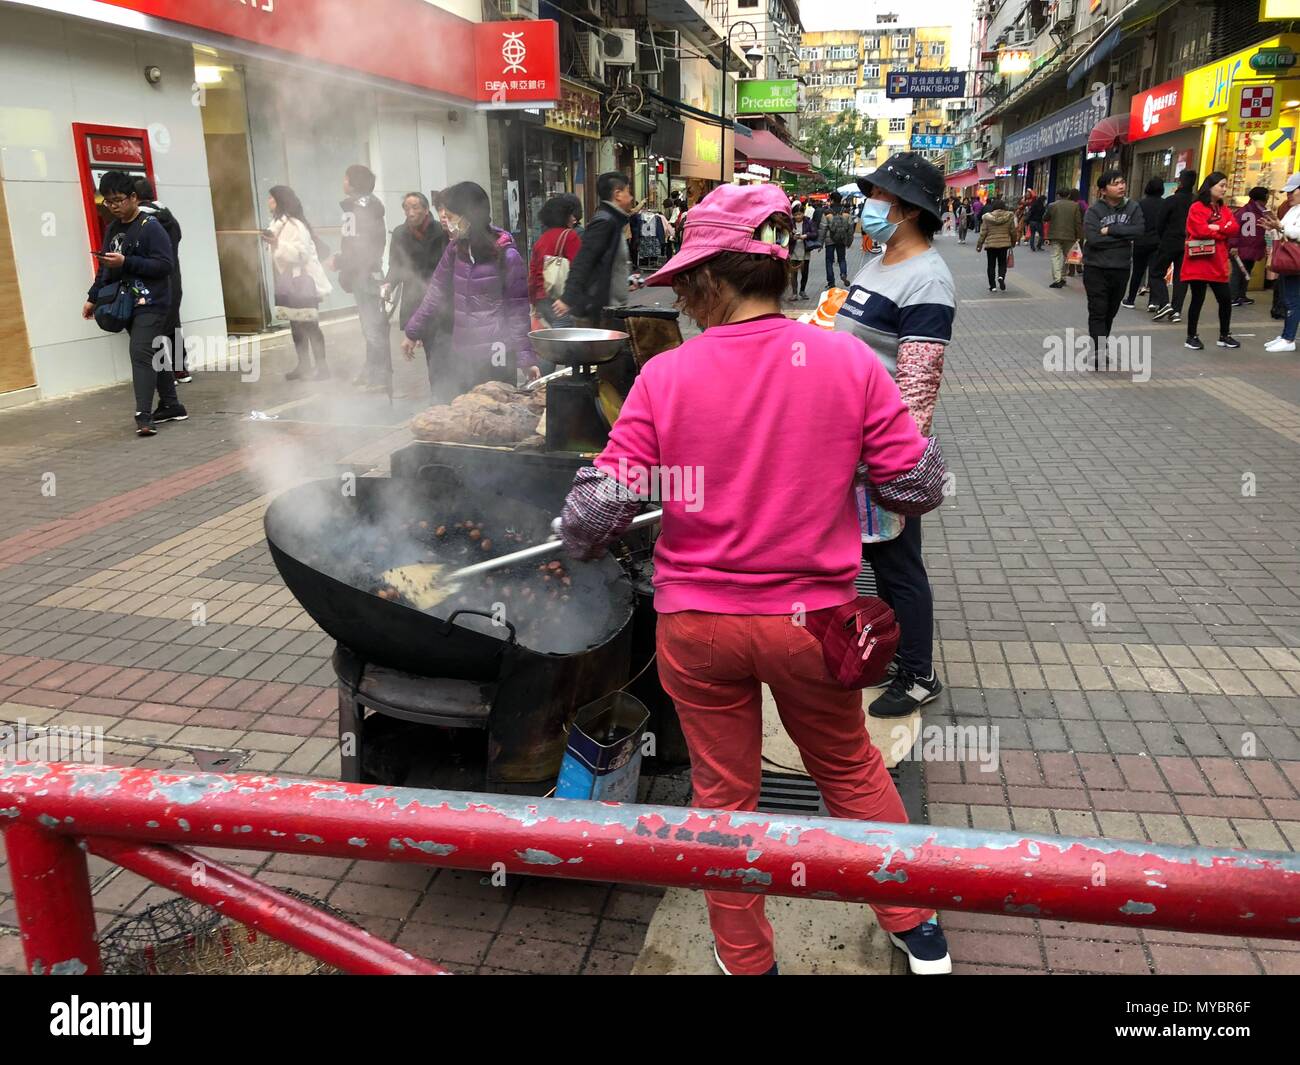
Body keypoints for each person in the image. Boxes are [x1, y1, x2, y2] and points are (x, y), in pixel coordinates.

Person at [556, 181, 952, 978]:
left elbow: (598, 515)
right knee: (848, 769)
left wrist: (578, 528)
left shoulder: (666, 376)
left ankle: (746, 959)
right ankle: (918, 931)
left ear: (709, 282)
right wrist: (844, 466)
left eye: (685, 284)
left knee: (724, 797)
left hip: (698, 628)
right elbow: (920, 486)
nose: (683, 299)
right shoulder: (844, 359)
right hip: (815, 623)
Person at [835, 153, 955, 718]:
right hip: (846, 443)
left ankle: (918, 673)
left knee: (898, 564)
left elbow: (917, 383)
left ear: (907, 209)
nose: (869, 205)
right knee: (869, 560)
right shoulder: (880, 261)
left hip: (882, 451)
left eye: (879, 195)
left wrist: (890, 462)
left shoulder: (927, 278)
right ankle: (882, 653)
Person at [402, 181, 536, 397]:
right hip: (464, 351)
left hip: (497, 351)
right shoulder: (456, 250)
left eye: (452, 216)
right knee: (468, 412)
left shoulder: (506, 255)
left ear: (469, 216)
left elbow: (517, 311)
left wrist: (526, 359)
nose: (447, 221)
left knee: (495, 411)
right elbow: (435, 292)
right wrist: (412, 331)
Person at [82, 171, 184, 437]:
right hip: (126, 302)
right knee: (151, 351)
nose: (114, 206)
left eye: (118, 200)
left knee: (140, 354)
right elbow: (104, 267)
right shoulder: (113, 228)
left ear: (133, 197)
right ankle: (172, 405)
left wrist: (126, 263)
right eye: (108, 201)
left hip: (153, 301)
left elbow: (165, 265)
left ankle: (144, 416)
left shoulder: (151, 226)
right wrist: (93, 297)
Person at [328, 164, 390, 391]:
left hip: (363, 274)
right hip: (370, 271)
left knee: (371, 327)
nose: (343, 182)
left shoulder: (353, 210)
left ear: (353, 183)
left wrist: (340, 261)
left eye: (345, 178)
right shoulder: (371, 206)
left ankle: (380, 376)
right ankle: (371, 370)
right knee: (371, 325)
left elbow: (355, 245)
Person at [264, 185, 332, 380]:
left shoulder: (294, 225)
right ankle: (304, 365)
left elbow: (301, 254)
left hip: (302, 282)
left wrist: (276, 243)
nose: (268, 201)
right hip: (290, 282)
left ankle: (322, 367)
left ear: (279, 201)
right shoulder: (278, 223)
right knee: (296, 325)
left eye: (271, 198)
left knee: (310, 324)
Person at [553, 172, 636, 325]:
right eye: (628, 192)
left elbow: (607, 265)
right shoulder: (605, 222)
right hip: (599, 312)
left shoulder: (614, 221)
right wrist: (567, 298)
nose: (631, 198)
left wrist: (627, 280)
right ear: (617, 194)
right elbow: (584, 260)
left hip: (611, 310)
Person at [1081, 170, 1144, 369]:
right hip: (1096, 268)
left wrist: (1111, 230)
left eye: (1122, 182)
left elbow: (1139, 231)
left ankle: (1102, 343)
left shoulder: (1133, 207)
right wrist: (1122, 239)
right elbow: (1094, 239)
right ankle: (1100, 350)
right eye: (1115, 183)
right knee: (1098, 310)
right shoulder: (1094, 211)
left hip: (1121, 268)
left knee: (1111, 310)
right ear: (1103, 190)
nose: (1121, 186)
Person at [133, 178, 189, 383]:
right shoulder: (168, 216)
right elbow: (179, 237)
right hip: (174, 278)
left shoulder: (143, 221)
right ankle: (181, 370)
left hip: (154, 280)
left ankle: (165, 376)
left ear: (134, 197)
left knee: (153, 327)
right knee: (173, 323)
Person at [1181, 171, 1240, 351]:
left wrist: (1216, 227)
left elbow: (1235, 227)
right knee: (1197, 299)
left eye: (1225, 185)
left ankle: (1224, 334)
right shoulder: (1197, 207)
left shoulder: (1224, 209)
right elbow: (1199, 230)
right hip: (1199, 260)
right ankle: (1191, 336)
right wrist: (1221, 230)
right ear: (1210, 186)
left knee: (1224, 298)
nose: (1224, 189)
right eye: (1221, 185)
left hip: (1218, 261)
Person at [383, 191, 449, 346]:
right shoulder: (400, 233)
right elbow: (396, 266)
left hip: (438, 297)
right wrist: (388, 285)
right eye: (406, 208)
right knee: (429, 350)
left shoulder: (441, 231)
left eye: (415, 207)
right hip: (413, 296)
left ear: (426, 210)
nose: (410, 212)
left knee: (440, 346)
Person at [529, 193, 583, 327]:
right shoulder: (570, 236)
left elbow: (533, 274)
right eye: (570, 214)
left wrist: (533, 302)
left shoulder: (541, 240)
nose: (573, 218)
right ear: (564, 216)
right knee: (565, 342)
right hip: (561, 300)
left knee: (551, 339)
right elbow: (578, 269)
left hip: (542, 300)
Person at [1149, 169, 1197, 322]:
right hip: (1188, 243)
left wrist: (1163, 236)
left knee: (1156, 272)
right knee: (1181, 277)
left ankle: (1164, 303)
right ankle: (1176, 310)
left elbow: (1160, 223)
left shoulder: (1171, 200)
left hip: (1169, 241)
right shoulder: (1196, 201)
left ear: (1180, 181)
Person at [1265, 172, 1300, 351]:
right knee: (1288, 298)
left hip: (1296, 259)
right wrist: (1274, 227)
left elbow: (1295, 233)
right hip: (1289, 259)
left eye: (1292, 192)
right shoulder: (1293, 209)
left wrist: (1281, 227)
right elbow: (1284, 230)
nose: (1288, 196)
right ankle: (1286, 335)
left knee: (1293, 299)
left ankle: (1288, 339)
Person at [1122, 177, 1165, 309]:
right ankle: (1153, 301)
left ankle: (1130, 299)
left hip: (1141, 241)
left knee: (1137, 272)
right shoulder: (1165, 204)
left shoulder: (1140, 204)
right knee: (1154, 272)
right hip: (1158, 242)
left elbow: (1133, 222)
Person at [1230, 186, 1273, 307]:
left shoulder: (1250, 211)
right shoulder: (1254, 212)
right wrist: (1233, 245)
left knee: (1246, 272)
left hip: (1250, 248)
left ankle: (1241, 296)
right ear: (1262, 198)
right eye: (1267, 196)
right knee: (1238, 273)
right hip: (1242, 248)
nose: (1268, 198)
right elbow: (1234, 229)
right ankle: (1233, 296)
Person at [975, 197, 1017, 291]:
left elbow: (983, 232)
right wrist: (1013, 242)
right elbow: (1013, 231)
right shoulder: (1009, 216)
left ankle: (993, 286)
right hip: (1004, 244)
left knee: (991, 265)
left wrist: (979, 245)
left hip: (991, 245)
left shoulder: (987, 218)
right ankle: (1001, 277)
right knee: (1002, 263)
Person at [1044, 187, 1082, 288]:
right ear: (1069, 195)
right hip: (1070, 235)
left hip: (1055, 235)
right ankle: (1063, 278)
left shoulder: (1052, 205)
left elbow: (1045, 217)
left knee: (1056, 256)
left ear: (1058, 195)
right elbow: (1078, 222)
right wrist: (1079, 235)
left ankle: (1057, 279)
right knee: (1067, 257)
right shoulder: (1075, 206)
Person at [819, 190, 854, 287]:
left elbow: (823, 228)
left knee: (829, 261)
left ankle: (831, 282)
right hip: (842, 239)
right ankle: (843, 274)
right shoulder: (846, 212)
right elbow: (851, 228)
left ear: (832, 200)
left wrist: (820, 243)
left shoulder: (827, 212)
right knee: (842, 259)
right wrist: (849, 241)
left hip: (830, 239)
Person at [786, 201, 815, 300]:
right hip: (793, 251)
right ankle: (794, 293)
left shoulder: (808, 221)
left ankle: (802, 291)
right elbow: (784, 236)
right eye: (795, 215)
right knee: (793, 273)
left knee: (804, 273)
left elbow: (815, 233)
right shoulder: (790, 223)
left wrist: (805, 236)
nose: (798, 216)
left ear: (803, 213)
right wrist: (792, 237)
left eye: (800, 214)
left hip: (805, 251)